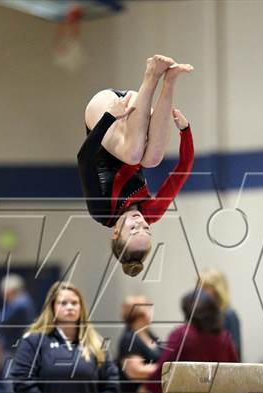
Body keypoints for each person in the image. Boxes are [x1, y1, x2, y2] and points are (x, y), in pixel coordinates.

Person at [77, 55, 194, 277]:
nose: (140, 222)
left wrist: (110, 117)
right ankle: (169, 80)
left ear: (116, 234)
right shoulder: (152, 211)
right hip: (134, 111)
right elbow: (183, 170)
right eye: (146, 229)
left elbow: (84, 157)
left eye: (133, 229)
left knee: (134, 156)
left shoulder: (101, 211)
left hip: (103, 110)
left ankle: (151, 74)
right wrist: (185, 131)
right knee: (151, 160)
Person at [116, 295, 162, 393]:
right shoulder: (129, 338)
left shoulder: (151, 336)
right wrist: (165, 370)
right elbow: (135, 371)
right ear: (142, 314)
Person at [199, 269, 242, 360]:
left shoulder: (229, 315)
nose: (200, 292)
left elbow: (235, 351)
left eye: (205, 287)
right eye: (199, 287)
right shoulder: (199, 316)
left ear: (218, 290)